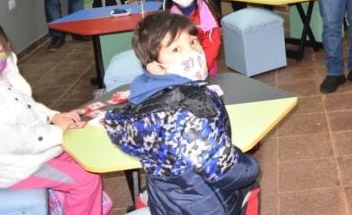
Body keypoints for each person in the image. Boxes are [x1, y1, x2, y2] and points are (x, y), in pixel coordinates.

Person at [103, 12, 260, 215]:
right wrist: (251, 166)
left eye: (193, 42)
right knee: (251, 186)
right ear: (157, 67)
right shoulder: (188, 110)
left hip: (167, 202)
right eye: (177, 49)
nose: (192, 53)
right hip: (208, 205)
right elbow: (223, 169)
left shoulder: (143, 100)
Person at [0, 22, 108, 215]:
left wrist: (53, 116)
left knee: (83, 157)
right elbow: (16, 140)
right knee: (85, 180)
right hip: (14, 167)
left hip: (30, 153)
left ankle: (72, 206)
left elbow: (28, 105)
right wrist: (58, 133)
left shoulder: (6, 73)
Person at [163, 0, 221, 75]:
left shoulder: (207, 14)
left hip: (206, 68)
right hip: (178, 72)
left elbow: (212, 43)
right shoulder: (165, 17)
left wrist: (201, 67)